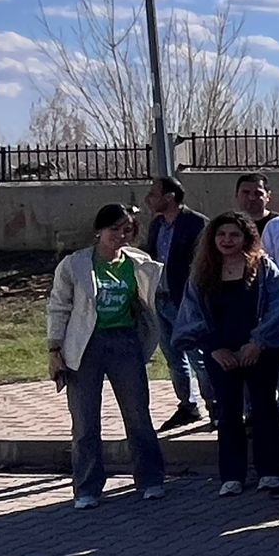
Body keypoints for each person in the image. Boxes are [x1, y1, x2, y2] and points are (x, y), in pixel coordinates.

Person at [47, 203, 167, 508]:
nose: (120, 235)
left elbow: (152, 301)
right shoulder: (75, 265)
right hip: (85, 345)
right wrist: (55, 349)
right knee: (86, 421)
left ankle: (150, 479)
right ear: (98, 231)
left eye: (127, 229)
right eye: (114, 229)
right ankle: (87, 488)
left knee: (138, 415)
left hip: (125, 342)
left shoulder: (140, 263)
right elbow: (58, 307)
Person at [173, 210, 279, 496]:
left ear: (247, 238)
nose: (227, 240)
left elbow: (278, 308)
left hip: (257, 351)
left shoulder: (264, 268)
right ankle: (231, 475)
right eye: (222, 234)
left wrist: (258, 343)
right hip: (221, 354)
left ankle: (271, 472)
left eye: (234, 235)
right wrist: (214, 348)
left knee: (264, 409)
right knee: (228, 413)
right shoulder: (202, 272)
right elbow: (191, 315)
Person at [143, 176, 209, 429]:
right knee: (173, 357)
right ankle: (188, 406)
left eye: (154, 194)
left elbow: (203, 264)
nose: (149, 199)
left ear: (169, 197)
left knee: (197, 356)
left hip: (186, 301)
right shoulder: (157, 225)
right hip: (160, 299)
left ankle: (215, 406)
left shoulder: (196, 224)